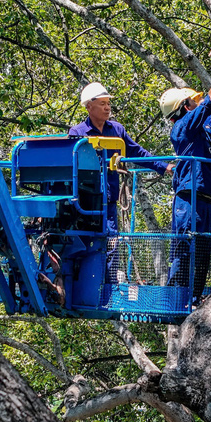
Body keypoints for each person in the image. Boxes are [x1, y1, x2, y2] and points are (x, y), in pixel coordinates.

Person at [158, 54, 211, 305]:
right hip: (189, 199)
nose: (198, 105)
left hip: (206, 198)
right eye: (193, 103)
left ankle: (194, 297)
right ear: (185, 108)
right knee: (185, 249)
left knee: (203, 250)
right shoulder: (183, 127)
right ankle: (176, 299)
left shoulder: (201, 129)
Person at [69, 82, 174, 282]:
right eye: (102, 104)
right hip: (84, 200)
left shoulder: (116, 130)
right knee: (83, 241)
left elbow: (138, 152)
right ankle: (80, 284)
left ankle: (108, 288)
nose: (108, 108)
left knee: (111, 242)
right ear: (89, 106)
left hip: (108, 200)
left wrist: (164, 166)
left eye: (108, 103)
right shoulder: (77, 132)